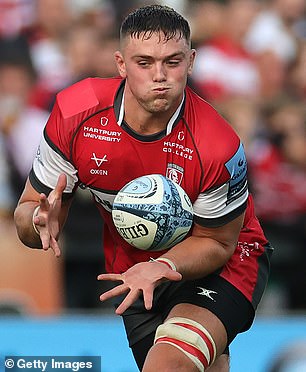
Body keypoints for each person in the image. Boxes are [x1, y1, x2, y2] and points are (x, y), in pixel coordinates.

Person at [14, 5, 272, 371]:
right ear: (121, 64)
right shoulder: (76, 111)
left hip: (224, 261)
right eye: (144, 62)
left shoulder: (217, 143)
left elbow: (218, 242)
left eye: (173, 61)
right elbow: (27, 212)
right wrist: (36, 220)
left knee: (167, 362)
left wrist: (163, 264)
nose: (160, 76)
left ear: (192, 61)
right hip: (134, 270)